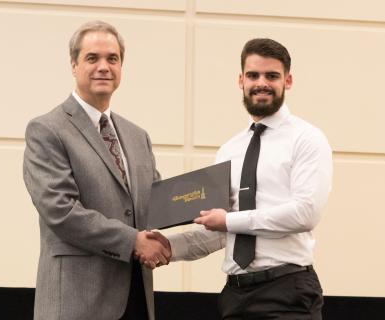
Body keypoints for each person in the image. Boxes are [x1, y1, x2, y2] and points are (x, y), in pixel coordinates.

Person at [146, 38, 333, 319]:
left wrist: (229, 220)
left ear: (288, 81)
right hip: (234, 298)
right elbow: (221, 231)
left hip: (288, 293)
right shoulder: (229, 150)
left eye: (272, 76)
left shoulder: (307, 139)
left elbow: (306, 213)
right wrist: (170, 247)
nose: (262, 83)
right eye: (253, 75)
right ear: (241, 80)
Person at [23, 20, 170, 320]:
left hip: (136, 299)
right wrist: (133, 241)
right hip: (77, 303)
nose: (104, 66)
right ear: (74, 66)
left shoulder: (137, 135)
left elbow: (156, 203)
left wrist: (211, 199)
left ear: (121, 68)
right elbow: (61, 211)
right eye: (93, 58)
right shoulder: (47, 130)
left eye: (112, 59)